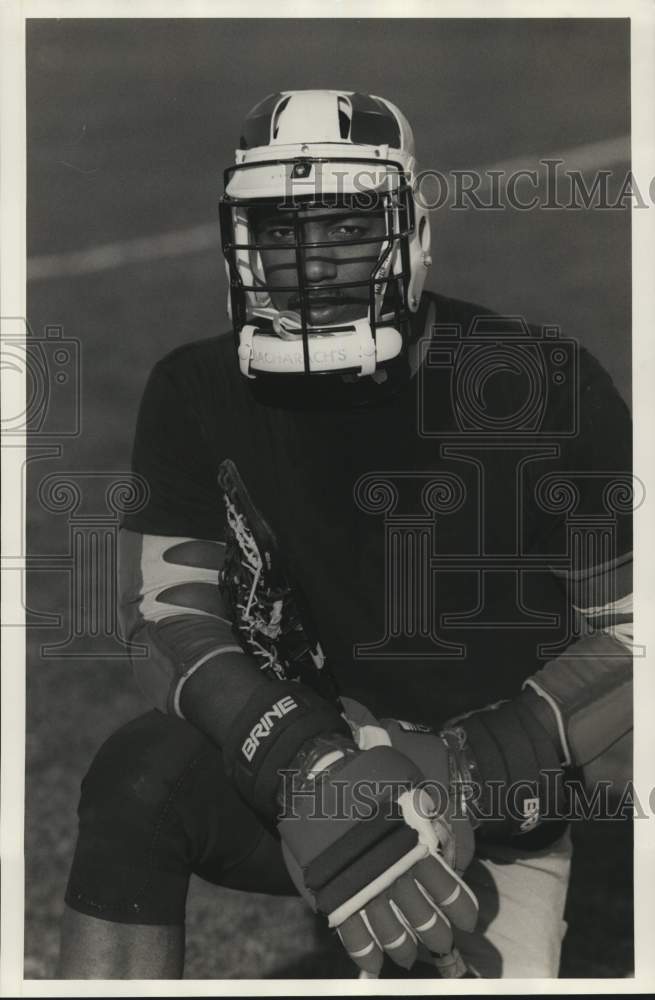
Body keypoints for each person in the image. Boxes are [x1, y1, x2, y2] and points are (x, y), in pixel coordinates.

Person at [58, 90, 633, 980]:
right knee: (140, 780)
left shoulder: (535, 379)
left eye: (347, 228)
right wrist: (306, 763)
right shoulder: (194, 389)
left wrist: (468, 768)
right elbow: (168, 622)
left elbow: (633, 628)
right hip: (304, 775)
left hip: (491, 798)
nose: (313, 260)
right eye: (280, 230)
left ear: (411, 232)